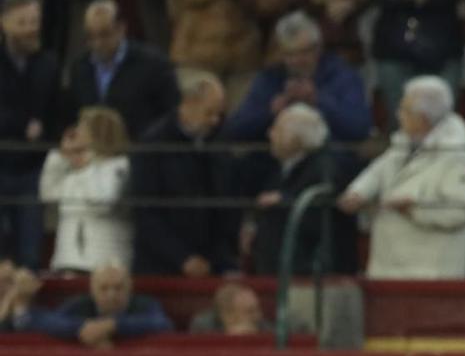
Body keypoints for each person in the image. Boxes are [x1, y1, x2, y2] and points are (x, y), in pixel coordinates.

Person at [336, 76, 465, 279]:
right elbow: (377, 172)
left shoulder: (455, 154)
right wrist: (357, 192)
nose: (398, 115)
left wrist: (415, 208)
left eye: (404, 110)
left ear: (422, 118)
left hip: (430, 272)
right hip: (389, 266)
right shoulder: (402, 144)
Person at [128, 70, 232, 277]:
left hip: (211, 263)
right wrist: (182, 258)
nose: (215, 120)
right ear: (187, 104)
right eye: (209, 112)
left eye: (219, 114)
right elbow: (146, 213)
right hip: (160, 267)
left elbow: (225, 203)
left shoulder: (219, 141)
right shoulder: (153, 144)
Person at [239, 102, 358, 276]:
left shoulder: (325, 169)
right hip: (278, 273)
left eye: (276, 129)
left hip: (311, 276)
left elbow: (322, 216)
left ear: (296, 138)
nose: (269, 134)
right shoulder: (281, 169)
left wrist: (283, 203)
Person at [223, 12, 371, 143]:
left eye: (303, 52)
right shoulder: (270, 79)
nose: (296, 60)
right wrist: (270, 112)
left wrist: (317, 101)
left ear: (318, 48)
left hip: (327, 157)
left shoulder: (342, 75)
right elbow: (235, 129)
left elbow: (359, 127)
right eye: (289, 54)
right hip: (274, 160)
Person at [0, 0, 62, 265]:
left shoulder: (48, 64)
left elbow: (54, 113)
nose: (30, 29)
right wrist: (22, 124)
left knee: (30, 255)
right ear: (4, 23)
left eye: (34, 21)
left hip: (33, 170)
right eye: (23, 22)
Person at [67, 0, 177, 137]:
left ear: (121, 28)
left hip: (137, 148)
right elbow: (71, 116)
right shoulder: (79, 68)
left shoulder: (153, 65)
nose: (97, 44)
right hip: (90, 151)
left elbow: (170, 116)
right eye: (91, 37)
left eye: (104, 34)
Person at [39, 104, 128, 272]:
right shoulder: (74, 170)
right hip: (65, 262)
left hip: (104, 266)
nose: (76, 133)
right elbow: (48, 194)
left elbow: (102, 201)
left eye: (82, 128)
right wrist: (61, 156)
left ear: (98, 132)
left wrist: (87, 165)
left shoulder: (119, 166)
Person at [3, 261, 170, 345]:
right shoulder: (80, 305)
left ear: (130, 288)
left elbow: (162, 324)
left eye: (118, 288)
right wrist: (83, 328)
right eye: (104, 288)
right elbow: (47, 321)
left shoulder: (145, 304)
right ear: (92, 290)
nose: (111, 295)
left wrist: (113, 325)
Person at [187, 279, 269, 334]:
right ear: (228, 315)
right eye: (250, 311)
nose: (259, 315)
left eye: (258, 309)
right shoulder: (203, 325)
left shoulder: (261, 325)